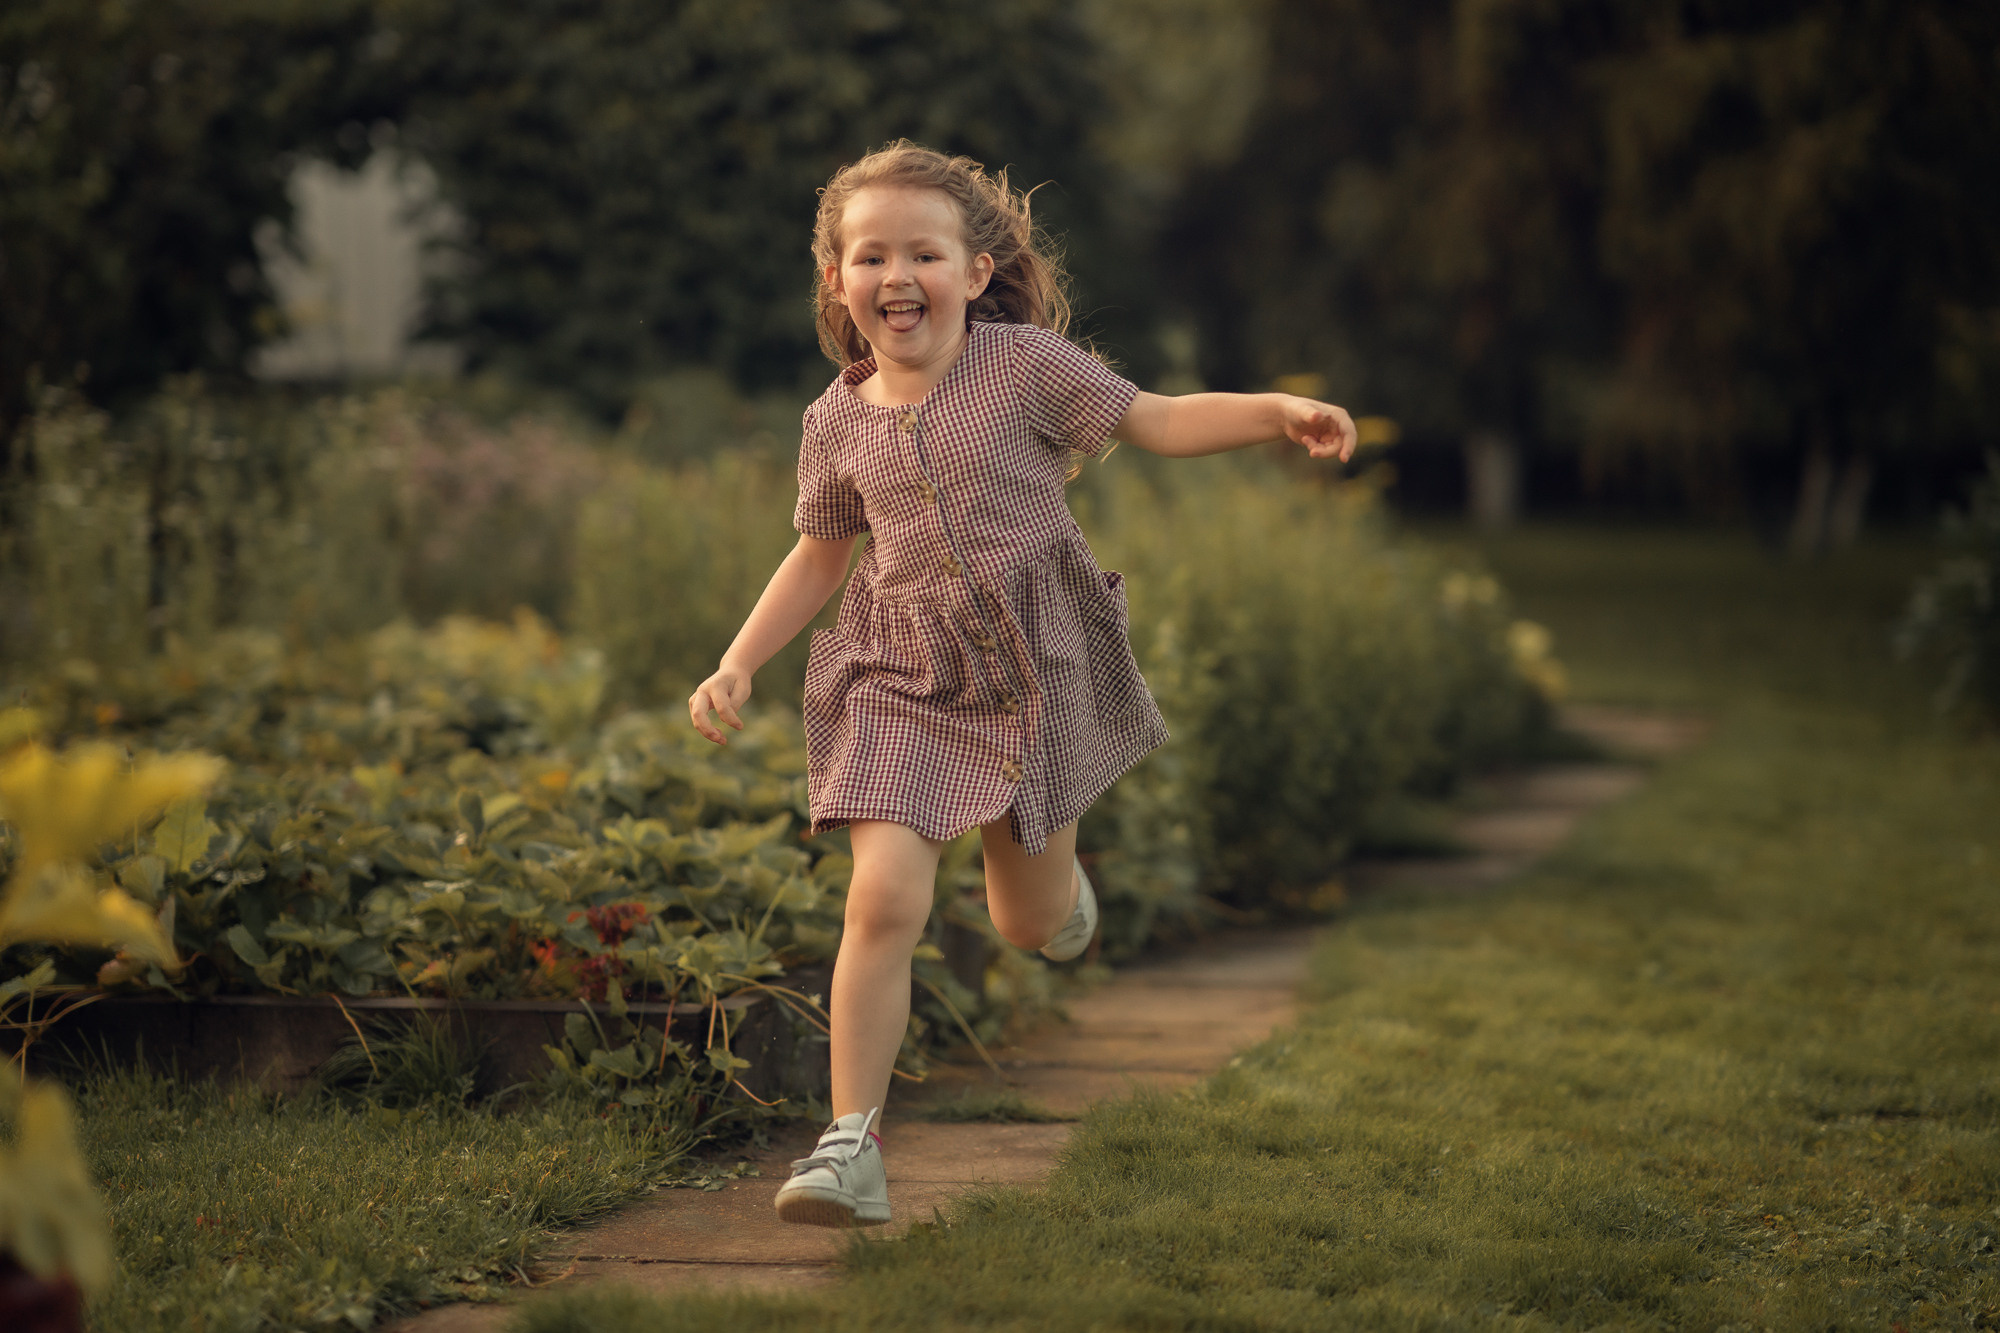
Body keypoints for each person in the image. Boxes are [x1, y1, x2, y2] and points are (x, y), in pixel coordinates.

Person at [688, 141, 1356, 1228]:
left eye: (922, 254)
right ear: (836, 280)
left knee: (1025, 919)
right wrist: (736, 659)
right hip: (895, 675)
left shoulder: (1025, 367)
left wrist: (1275, 410)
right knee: (884, 894)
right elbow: (819, 552)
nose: (895, 277)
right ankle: (847, 1144)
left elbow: (1157, 417)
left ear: (975, 270)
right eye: (870, 256)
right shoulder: (832, 421)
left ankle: (1061, 901)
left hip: (1032, 670)